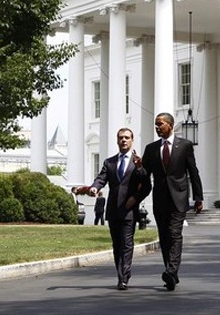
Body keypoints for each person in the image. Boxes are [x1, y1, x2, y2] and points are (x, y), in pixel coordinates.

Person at [134, 112, 203, 291]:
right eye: (156, 125)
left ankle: (171, 271)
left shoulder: (185, 145)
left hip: (179, 198)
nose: (157, 128)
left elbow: (193, 172)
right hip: (160, 199)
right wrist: (139, 167)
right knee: (164, 236)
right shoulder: (151, 149)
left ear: (170, 125)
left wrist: (198, 197)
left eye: (160, 124)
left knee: (174, 234)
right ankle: (171, 273)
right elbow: (144, 176)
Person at [80, 128, 152, 290]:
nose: (124, 140)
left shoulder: (137, 163)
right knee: (117, 245)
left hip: (129, 210)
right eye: (121, 138)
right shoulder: (109, 162)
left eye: (127, 138)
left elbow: (146, 185)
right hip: (113, 210)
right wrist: (94, 188)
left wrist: (135, 197)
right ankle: (121, 274)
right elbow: (101, 179)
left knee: (127, 243)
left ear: (132, 140)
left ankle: (123, 277)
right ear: (117, 140)